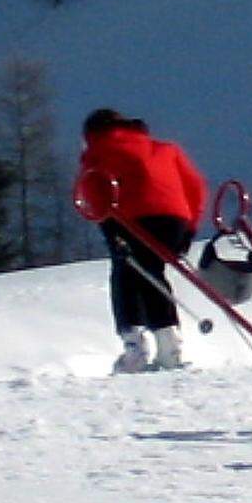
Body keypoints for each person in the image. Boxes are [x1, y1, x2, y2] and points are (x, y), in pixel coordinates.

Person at [74, 109, 208, 373]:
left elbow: (91, 189)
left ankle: (135, 344)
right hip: (174, 217)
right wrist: (189, 228)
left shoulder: (98, 150)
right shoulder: (165, 149)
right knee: (152, 271)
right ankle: (169, 342)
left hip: (128, 217)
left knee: (125, 274)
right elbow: (195, 186)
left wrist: (107, 226)